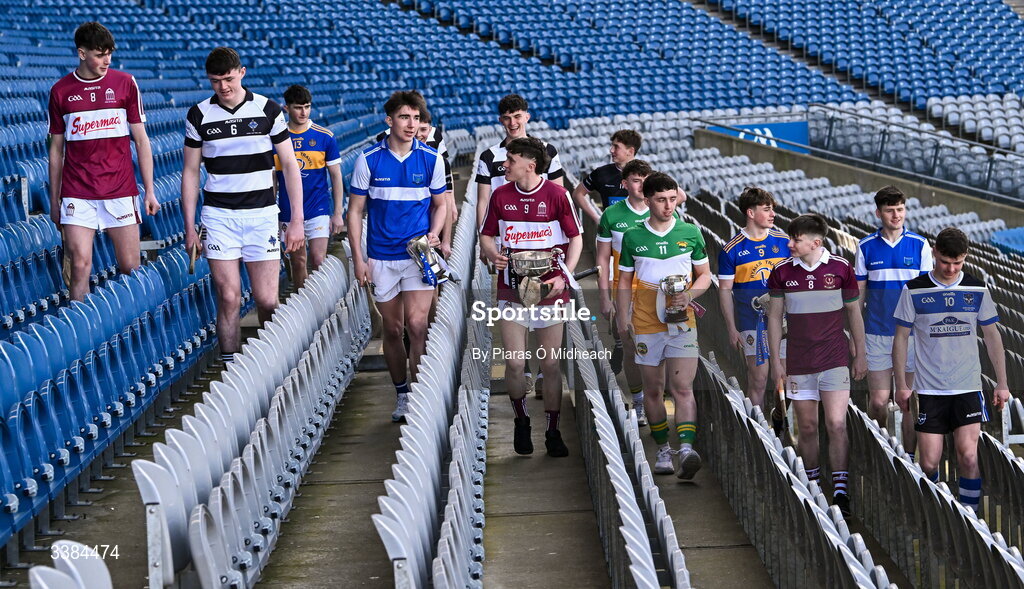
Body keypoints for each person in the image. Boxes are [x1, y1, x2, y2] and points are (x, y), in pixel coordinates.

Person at [182, 47, 305, 366]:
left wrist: (296, 221)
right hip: (219, 216)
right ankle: (230, 369)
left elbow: (290, 166)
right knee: (229, 297)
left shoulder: (269, 110)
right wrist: (188, 226)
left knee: (267, 299)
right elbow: (191, 172)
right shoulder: (199, 115)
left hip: (262, 215)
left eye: (228, 78)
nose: (223, 87)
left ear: (242, 72)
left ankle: (273, 366)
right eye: (215, 81)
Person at [347, 90, 447, 423]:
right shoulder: (369, 159)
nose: (411, 124)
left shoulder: (431, 159)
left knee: (418, 325)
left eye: (416, 118)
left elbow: (441, 204)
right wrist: (359, 260)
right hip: (380, 256)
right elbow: (355, 211)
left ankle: (418, 397)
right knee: (393, 329)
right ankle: (402, 391)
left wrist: (435, 232)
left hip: (418, 256)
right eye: (405, 117)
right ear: (389, 120)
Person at [893, 227, 1009, 513]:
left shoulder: (977, 287)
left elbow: (992, 336)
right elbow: (901, 338)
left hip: (967, 387)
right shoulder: (914, 289)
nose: (951, 268)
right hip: (930, 390)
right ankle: (934, 513)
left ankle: (971, 518)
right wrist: (901, 384)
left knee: (968, 456)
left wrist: (1002, 382)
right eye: (946, 262)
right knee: (929, 462)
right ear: (935, 253)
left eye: (958, 263)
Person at [480, 137, 582, 458]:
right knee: (515, 363)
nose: (505, 165)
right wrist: (491, 254)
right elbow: (486, 235)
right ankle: (521, 420)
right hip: (511, 289)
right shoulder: (500, 195)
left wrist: (563, 276)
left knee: (551, 365)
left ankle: (552, 430)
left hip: (550, 291)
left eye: (510, 160)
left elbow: (576, 240)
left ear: (530, 164)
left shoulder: (557, 195)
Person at [48, 21, 160, 301]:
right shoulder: (60, 91)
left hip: (120, 190)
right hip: (77, 192)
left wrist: (150, 188)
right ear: (82, 53)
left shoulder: (125, 83)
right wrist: (54, 200)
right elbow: (56, 150)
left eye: (109, 53)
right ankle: (80, 335)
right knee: (79, 266)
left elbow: (142, 140)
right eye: (99, 54)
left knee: (130, 267)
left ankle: (136, 331)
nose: (106, 60)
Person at [767, 214, 867, 517]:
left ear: (816, 242)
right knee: (808, 427)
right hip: (798, 360)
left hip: (834, 358)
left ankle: (840, 491)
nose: (790, 243)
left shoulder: (841, 268)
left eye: (796, 239)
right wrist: (776, 362)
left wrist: (860, 353)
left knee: (836, 423)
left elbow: (854, 312)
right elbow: (774, 317)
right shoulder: (782, 272)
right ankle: (811, 485)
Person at [616, 172, 711, 479]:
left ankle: (685, 449)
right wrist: (622, 316)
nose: (668, 206)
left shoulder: (690, 232)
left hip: (683, 321)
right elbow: (625, 282)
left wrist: (690, 294)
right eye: (661, 200)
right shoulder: (633, 237)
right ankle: (662, 449)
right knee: (654, 390)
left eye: (672, 199)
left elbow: (705, 275)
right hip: (646, 322)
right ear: (647, 199)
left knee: (682, 387)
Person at [475, 94, 565, 397]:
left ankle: (542, 374)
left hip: (540, 240)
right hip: (507, 241)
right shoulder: (490, 156)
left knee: (544, 304)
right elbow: (484, 200)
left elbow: (559, 193)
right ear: (500, 121)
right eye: (506, 118)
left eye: (517, 117)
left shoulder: (547, 151)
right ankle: (523, 370)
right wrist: (483, 242)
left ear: (526, 116)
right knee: (515, 305)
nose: (512, 123)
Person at [855, 186, 932, 460]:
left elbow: (925, 295)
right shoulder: (865, 247)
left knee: (908, 400)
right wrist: (857, 340)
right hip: (876, 333)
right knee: (878, 401)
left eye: (900, 209)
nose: (896, 215)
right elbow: (858, 297)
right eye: (890, 210)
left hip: (910, 336)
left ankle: (908, 459)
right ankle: (882, 451)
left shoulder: (920, 245)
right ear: (879, 213)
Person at [717, 187, 789, 410]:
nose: (772, 214)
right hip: (751, 323)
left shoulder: (784, 242)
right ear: (750, 213)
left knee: (783, 379)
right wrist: (731, 328)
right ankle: (756, 424)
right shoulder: (732, 249)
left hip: (784, 322)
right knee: (758, 378)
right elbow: (724, 291)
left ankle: (781, 428)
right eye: (767, 209)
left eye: (773, 210)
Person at [596, 159, 654, 425]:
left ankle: (655, 400)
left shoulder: (665, 212)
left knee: (655, 350)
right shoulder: (611, 215)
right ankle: (639, 401)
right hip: (624, 293)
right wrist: (605, 297)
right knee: (631, 350)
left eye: (645, 179)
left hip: (654, 294)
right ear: (624, 183)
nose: (641, 185)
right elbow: (603, 259)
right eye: (635, 180)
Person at [276, 84, 344, 289]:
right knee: (298, 262)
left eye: (307, 106)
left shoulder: (325, 136)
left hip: (318, 207)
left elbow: (336, 176)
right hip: (288, 210)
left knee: (318, 259)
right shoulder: (277, 139)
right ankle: (304, 302)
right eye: (298, 107)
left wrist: (338, 212)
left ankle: (321, 306)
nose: (304, 112)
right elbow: (273, 180)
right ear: (286, 108)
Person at [376, 105, 456, 256]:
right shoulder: (386, 142)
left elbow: (444, 200)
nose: (418, 134)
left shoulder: (437, 160)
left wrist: (445, 241)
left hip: (430, 229)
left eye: (424, 129)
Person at [572, 129, 642, 225]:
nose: (611, 150)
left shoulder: (646, 175)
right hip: (611, 233)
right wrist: (597, 218)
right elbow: (578, 194)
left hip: (639, 233)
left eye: (616, 147)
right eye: (612, 145)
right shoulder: (601, 173)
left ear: (630, 151)